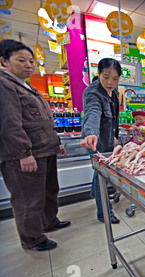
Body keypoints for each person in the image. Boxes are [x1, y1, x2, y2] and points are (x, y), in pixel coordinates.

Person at [0, 39, 70, 251]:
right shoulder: (4, 85)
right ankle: (32, 238)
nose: (29, 65)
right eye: (21, 60)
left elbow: (43, 121)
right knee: (28, 198)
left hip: (44, 150)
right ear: (4, 61)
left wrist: (57, 143)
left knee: (49, 190)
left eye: (31, 60)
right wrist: (23, 153)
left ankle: (49, 221)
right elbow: (9, 123)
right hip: (26, 155)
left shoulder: (26, 86)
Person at [80, 58, 122, 224]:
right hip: (95, 140)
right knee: (102, 176)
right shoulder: (94, 92)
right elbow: (93, 112)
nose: (110, 82)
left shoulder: (112, 91)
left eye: (115, 79)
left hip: (106, 138)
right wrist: (90, 133)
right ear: (98, 74)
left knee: (99, 174)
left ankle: (97, 196)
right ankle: (104, 213)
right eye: (106, 77)